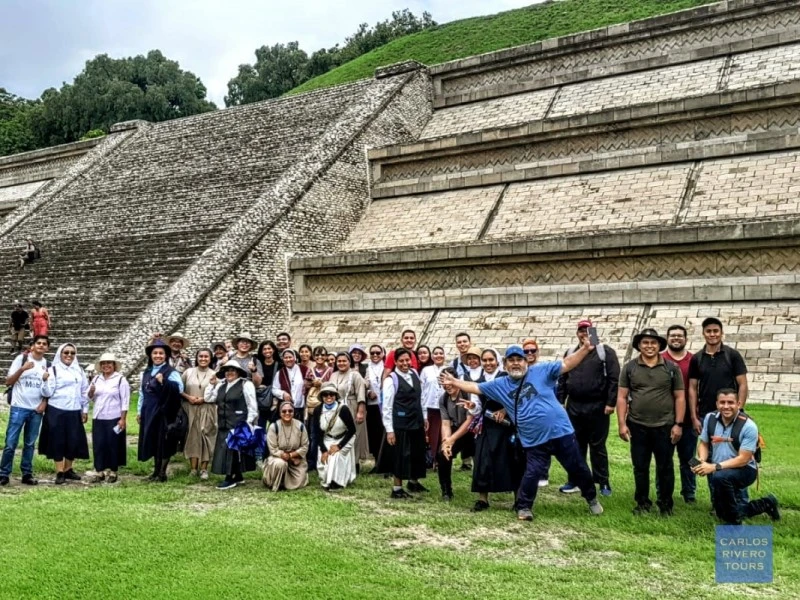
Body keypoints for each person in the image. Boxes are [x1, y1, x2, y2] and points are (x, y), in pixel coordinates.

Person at [441, 343, 604, 522]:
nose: (515, 363)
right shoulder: (500, 384)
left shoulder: (541, 371)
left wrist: (585, 349)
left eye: (519, 359)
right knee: (532, 472)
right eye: (511, 360)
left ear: (526, 361)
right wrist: (455, 382)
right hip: (533, 439)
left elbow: (567, 364)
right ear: (505, 364)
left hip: (560, 432)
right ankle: (524, 506)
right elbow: (475, 387)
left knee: (577, 468)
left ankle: (591, 498)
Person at [617, 329, 685, 516]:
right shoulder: (630, 367)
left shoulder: (671, 368)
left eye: (653, 343)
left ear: (659, 345)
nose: (649, 346)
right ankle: (642, 503)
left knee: (665, 467)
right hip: (637, 426)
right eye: (645, 342)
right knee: (640, 467)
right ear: (639, 345)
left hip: (664, 426)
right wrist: (622, 423)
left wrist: (678, 424)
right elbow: (622, 397)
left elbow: (680, 397)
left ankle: (665, 505)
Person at [692, 389, 779, 525]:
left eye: (730, 402)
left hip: (745, 470)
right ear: (716, 404)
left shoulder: (749, 426)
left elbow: (743, 459)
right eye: (722, 402)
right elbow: (703, 444)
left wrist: (714, 467)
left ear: (738, 404)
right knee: (721, 513)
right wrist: (702, 461)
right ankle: (767, 503)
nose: (726, 406)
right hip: (719, 469)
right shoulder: (710, 418)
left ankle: (734, 522)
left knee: (720, 478)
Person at [557, 320, 620, 497]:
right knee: (575, 445)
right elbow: (562, 378)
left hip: (598, 405)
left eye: (587, 330)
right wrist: (560, 401)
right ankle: (575, 479)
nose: (584, 333)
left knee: (597, 446)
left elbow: (614, 379)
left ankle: (602, 481)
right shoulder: (570, 352)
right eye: (580, 330)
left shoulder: (605, 352)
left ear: (593, 331)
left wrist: (610, 402)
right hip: (574, 405)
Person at [471, 348, 521, 512]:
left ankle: (518, 499)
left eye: (491, 360)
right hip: (487, 425)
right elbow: (477, 407)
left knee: (511, 461)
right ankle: (483, 499)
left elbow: (517, 397)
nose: (488, 363)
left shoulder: (506, 378)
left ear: (497, 361)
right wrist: (472, 407)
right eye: (484, 360)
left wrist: (505, 410)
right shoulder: (478, 381)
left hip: (506, 425)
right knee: (482, 461)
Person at [377, 348, 428, 498]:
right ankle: (397, 489)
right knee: (400, 455)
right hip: (400, 423)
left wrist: (424, 416)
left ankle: (413, 482)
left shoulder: (415, 374)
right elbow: (387, 406)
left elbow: (421, 398)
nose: (405, 363)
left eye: (407, 360)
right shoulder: (390, 380)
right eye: (401, 361)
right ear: (395, 362)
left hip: (416, 420)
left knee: (417, 452)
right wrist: (389, 430)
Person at [0, 335, 50, 486]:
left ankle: (27, 473)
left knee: (30, 443)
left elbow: (50, 388)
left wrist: (44, 403)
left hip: (36, 409)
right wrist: (22, 369)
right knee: (10, 442)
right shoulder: (21, 359)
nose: (41, 346)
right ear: (32, 345)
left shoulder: (48, 364)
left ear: (47, 348)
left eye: (44, 344)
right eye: (38, 343)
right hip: (19, 407)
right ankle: (3, 473)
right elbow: (8, 381)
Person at [39, 343, 90, 484]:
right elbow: (47, 392)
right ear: (60, 354)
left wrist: (84, 409)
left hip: (74, 410)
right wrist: (44, 380)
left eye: (72, 353)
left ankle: (68, 469)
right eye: (66, 352)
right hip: (57, 409)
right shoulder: (53, 370)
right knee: (57, 441)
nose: (69, 355)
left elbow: (84, 391)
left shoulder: (79, 370)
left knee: (73, 440)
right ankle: (59, 471)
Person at [137, 338, 185, 482]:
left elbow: (179, 389)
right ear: (151, 356)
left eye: (161, 353)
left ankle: (162, 473)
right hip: (149, 411)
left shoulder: (171, 372)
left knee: (164, 442)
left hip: (164, 412)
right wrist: (140, 411)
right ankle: (155, 471)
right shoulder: (146, 372)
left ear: (166, 356)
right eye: (155, 353)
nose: (158, 356)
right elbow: (142, 393)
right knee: (152, 440)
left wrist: (164, 382)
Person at [205, 360, 258, 489]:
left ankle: (230, 478)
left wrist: (248, 423)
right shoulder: (221, 385)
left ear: (238, 372)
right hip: (223, 423)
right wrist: (211, 385)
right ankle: (238, 476)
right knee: (227, 450)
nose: (230, 373)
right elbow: (208, 398)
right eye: (227, 370)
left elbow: (252, 406)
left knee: (232, 452)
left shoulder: (246, 384)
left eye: (233, 370)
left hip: (238, 423)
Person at [661, 325, 697, 504]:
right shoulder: (659, 359)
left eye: (680, 336)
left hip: (689, 420)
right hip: (664, 420)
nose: (676, 338)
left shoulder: (694, 360)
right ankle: (663, 491)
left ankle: (689, 493)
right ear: (667, 339)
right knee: (664, 459)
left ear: (686, 339)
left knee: (689, 459)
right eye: (672, 335)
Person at [87, 353, 129, 483]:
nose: (106, 366)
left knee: (113, 444)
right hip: (99, 416)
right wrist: (91, 392)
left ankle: (113, 470)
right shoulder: (96, 379)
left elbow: (125, 400)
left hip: (114, 416)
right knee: (99, 444)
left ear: (114, 365)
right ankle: (99, 470)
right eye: (103, 363)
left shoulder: (120, 379)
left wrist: (123, 419)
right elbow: (91, 398)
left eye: (109, 363)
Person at [437, 368, 475, 501]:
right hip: (456, 431)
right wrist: (446, 442)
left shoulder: (467, 394)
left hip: (473, 431)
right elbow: (446, 424)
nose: (447, 385)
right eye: (443, 382)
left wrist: (451, 439)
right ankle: (446, 491)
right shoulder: (443, 399)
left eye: (449, 381)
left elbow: (470, 421)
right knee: (443, 454)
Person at [181, 349, 218, 480]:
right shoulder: (188, 372)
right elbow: (179, 389)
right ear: (196, 358)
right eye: (200, 356)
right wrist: (188, 397)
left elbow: (217, 393)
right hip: (190, 408)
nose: (203, 359)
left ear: (210, 358)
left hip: (207, 408)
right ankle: (193, 468)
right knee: (192, 436)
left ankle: (204, 469)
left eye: (206, 356)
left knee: (206, 436)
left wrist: (204, 399)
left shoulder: (215, 374)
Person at [313, 383, 358, 490]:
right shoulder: (318, 410)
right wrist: (323, 450)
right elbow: (317, 433)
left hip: (344, 439)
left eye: (332, 394)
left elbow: (352, 430)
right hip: (327, 439)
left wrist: (339, 446)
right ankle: (328, 479)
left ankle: (337, 482)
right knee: (325, 460)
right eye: (325, 394)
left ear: (336, 396)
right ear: (322, 396)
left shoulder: (343, 409)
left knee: (335, 456)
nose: (329, 397)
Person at [329, 352, 368, 469]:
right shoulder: (333, 375)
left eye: (344, 361)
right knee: (341, 434)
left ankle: (354, 464)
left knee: (354, 434)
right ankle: (341, 461)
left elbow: (361, 394)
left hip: (352, 406)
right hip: (337, 408)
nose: (341, 363)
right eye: (339, 361)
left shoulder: (355, 375)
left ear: (349, 362)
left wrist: (360, 412)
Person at [262, 402, 309, 492]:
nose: (287, 413)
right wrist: (283, 455)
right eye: (284, 411)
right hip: (278, 458)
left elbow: (305, 446)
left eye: (290, 411)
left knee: (299, 480)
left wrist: (291, 455)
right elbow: (273, 449)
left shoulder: (300, 426)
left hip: (296, 459)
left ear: (293, 412)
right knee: (280, 464)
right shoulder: (273, 427)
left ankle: (286, 482)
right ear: (280, 413)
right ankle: (274, 482)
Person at [522, 337, 549, 488]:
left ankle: (543, 474)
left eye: (533, 350)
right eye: (526, 351)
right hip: (525, 411)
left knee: (543, 443)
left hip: (541, 410)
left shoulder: (543, 369)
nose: (529, 353)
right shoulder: (521, 369)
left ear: (537, 352)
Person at [420, 346, 446, 468]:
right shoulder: (426, 370)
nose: (438, 356)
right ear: (432, 356)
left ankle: (441, 459)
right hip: (429, 406)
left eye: (441, 353)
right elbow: (422, 390)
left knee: (443, 434)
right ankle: (431, 459)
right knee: (430, 434)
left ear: (444, 355)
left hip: (444, 407)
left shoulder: (448, 369)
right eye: (435, 353)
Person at [273, 348, 311, 422]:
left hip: (302, 407)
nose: (288, 359)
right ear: (283, 359)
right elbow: (274, 389)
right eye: (286, 358)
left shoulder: (304, 369)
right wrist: (283, 393)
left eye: (290, 357)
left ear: (295, 358)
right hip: (287, 409)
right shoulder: (280, 373)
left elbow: (310, 384)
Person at [364, 344, 386, 460]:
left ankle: (385, 459)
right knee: (374, 432)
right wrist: (368, 393)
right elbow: (363, 384)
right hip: (372, 404)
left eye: (378, 352)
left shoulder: (387, 366)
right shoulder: (366, 367)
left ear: (383, 354)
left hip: (385, 404)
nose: (375, 355)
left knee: (384, 431)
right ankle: (377, 458)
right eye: (372, 353)